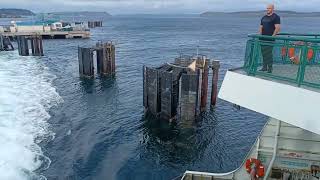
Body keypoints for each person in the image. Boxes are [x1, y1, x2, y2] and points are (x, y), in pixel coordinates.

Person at [259, 4, 281, 73]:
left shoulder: (276, 17)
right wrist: (260, 35)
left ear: (273, 9)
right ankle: (264, 67)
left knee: (269, 53)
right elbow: (261, 27)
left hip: (270, 38)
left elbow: (277, 28)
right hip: (262, 38)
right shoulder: (263, 17)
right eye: (267, 8)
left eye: (269, 8)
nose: (268, 9)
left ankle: (270, 68)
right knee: (263, 53)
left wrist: (273, 36)